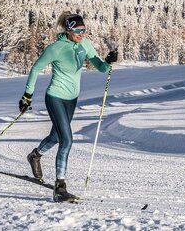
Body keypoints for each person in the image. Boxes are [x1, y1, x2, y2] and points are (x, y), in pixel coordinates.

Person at [19, 13, 117, 202]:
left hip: (71, 99)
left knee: (56, 136)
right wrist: (27, 95)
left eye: (84, 30)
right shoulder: (55, 48)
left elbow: (101, 67)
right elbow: (36, 68)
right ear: (69, 30)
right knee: (67, 140)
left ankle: (35, 155)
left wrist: (108, 61)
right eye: (78, 30)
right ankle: (59, 187)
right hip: (55, 96)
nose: (82, 34)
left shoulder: (84, 45)